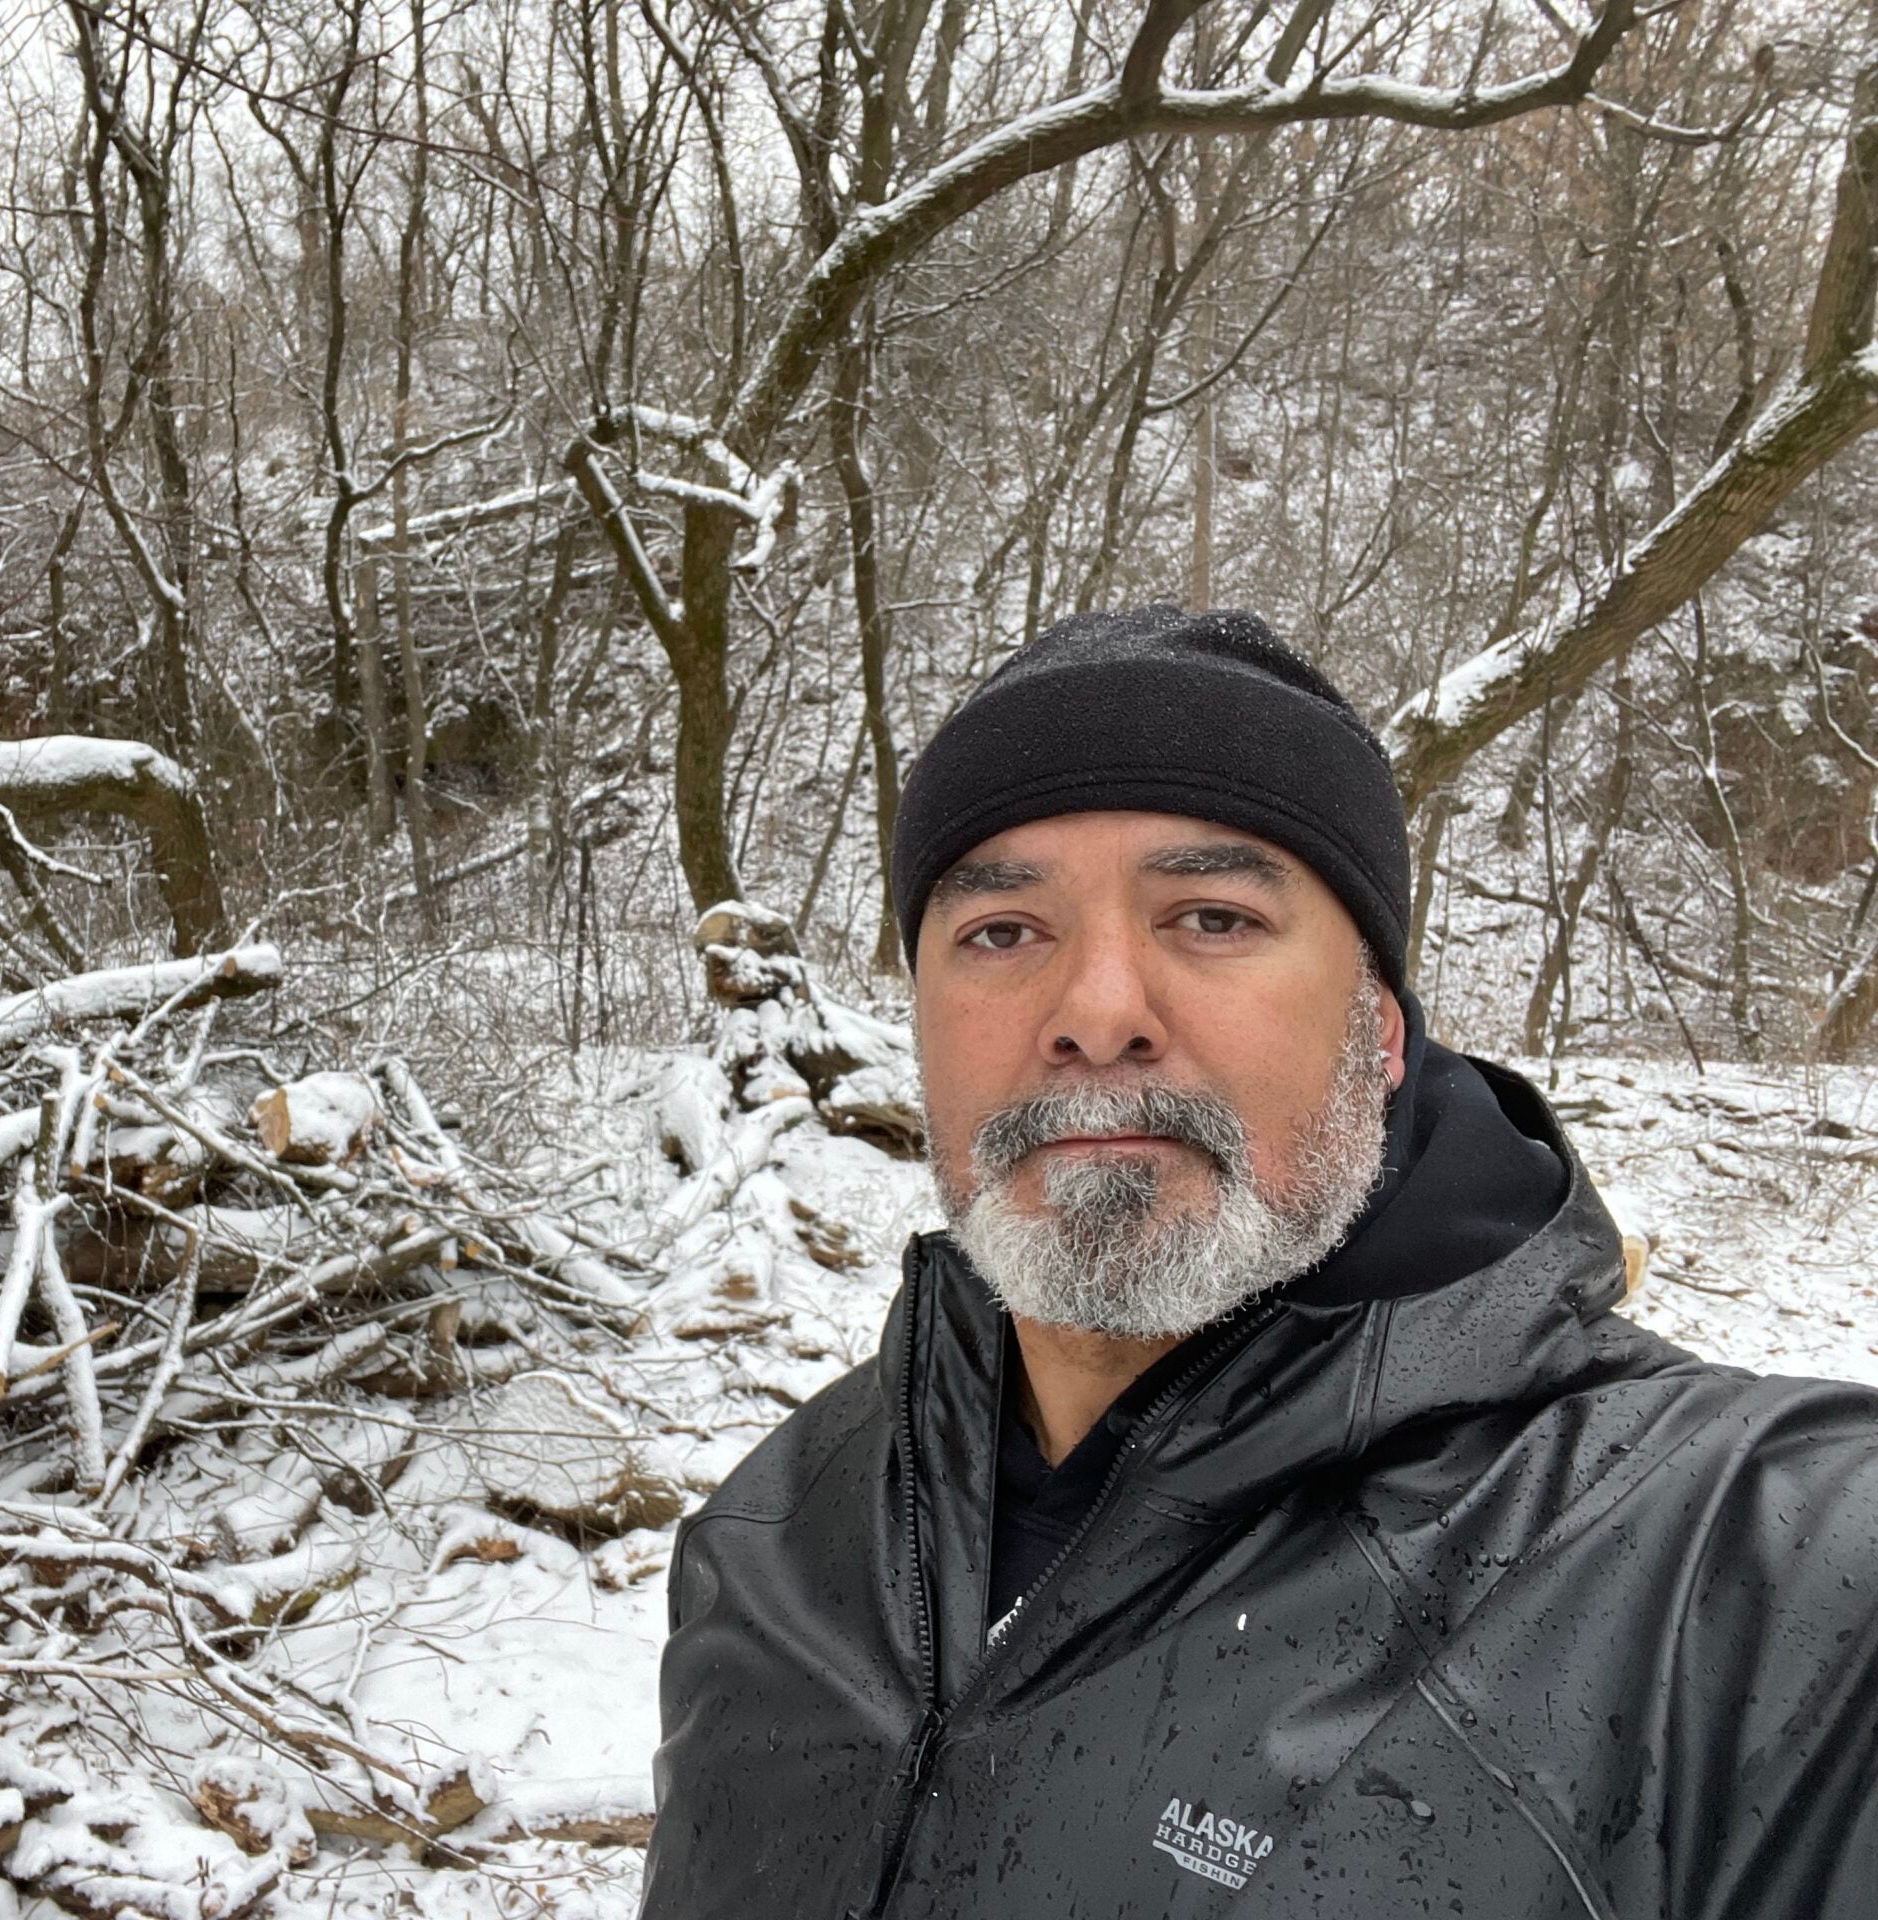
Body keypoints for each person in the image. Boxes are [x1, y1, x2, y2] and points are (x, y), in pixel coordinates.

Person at [639, 607, 1878, 1920]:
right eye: (1002, 931)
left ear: (1384, 1030)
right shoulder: (775, 1540)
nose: (1098, 1015)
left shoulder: (1748, 1581)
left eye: (1213, 916)